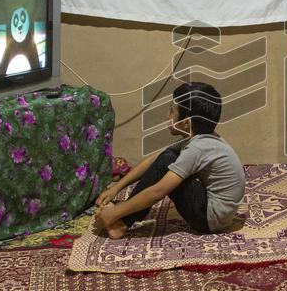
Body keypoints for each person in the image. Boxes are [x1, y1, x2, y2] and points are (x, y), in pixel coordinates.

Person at [93, 82, 245, 239]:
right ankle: (123, 215)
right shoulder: (201, 138)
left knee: (167, 161)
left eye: (171, 111)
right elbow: (156, 158)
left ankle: (121, 223)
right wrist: (116, 188)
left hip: (209, 219)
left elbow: (158, 191)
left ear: (186, 122)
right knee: (166, 157)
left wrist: (115, 212)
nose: (167, 116)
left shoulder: (197, 149)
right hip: (219, 213)